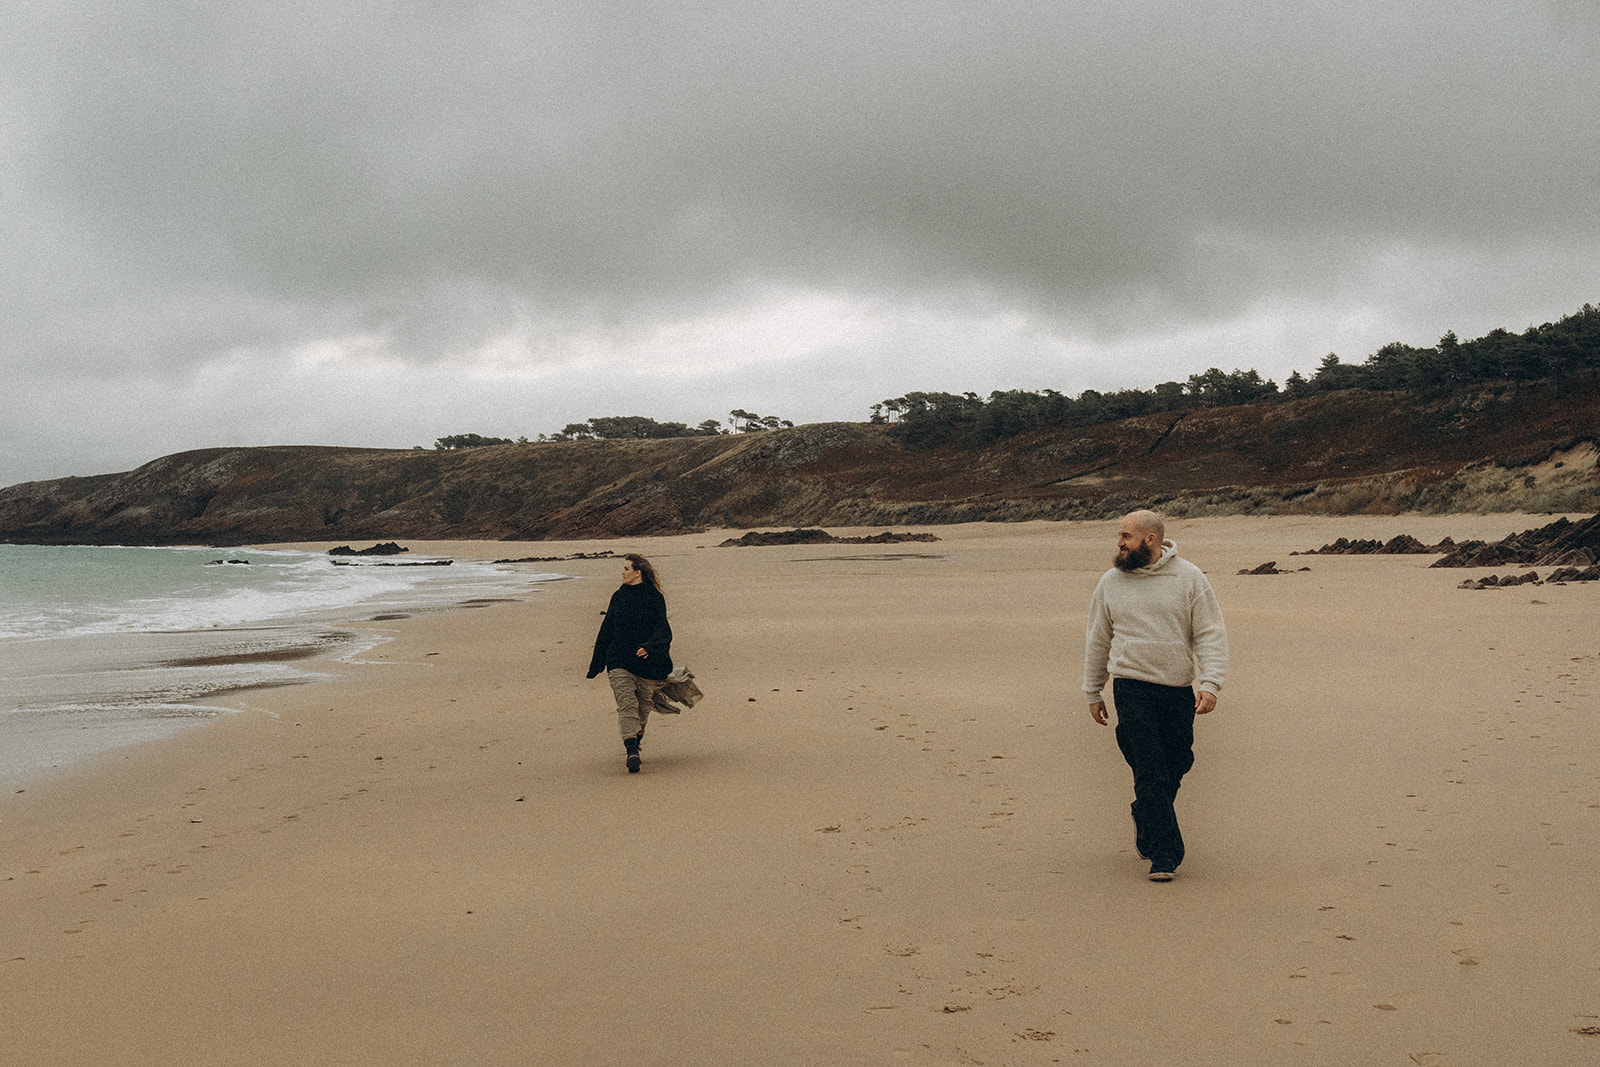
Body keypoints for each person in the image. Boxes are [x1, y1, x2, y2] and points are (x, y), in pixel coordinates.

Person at [1083, 510, 1228, 881]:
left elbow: (1210, 633)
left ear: (1151, 539)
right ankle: (1165, 853)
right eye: (1119, 536)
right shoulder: (1110, 583)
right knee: (1148, 769)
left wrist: (1210, 684)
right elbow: (1098, 638)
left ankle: (1145, 815)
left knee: (1177, 763)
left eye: (1126, 536)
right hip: (1130, 688)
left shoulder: (1189, 578)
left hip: (1177, 689)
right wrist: (1093, 689)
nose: (1119, 543)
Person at [586, 553, 673, 773]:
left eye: (626, 569)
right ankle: (631, 750)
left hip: (646, 663)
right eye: (623, 569)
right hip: (618, 659)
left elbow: (662, 628)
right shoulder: (618, 597)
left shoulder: (654, 597)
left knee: (644, 706)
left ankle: (636, 738)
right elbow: (607, 629)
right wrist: (597, 663)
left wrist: (651, 647)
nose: (622, 572)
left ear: (638, 572)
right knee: (627, 704)